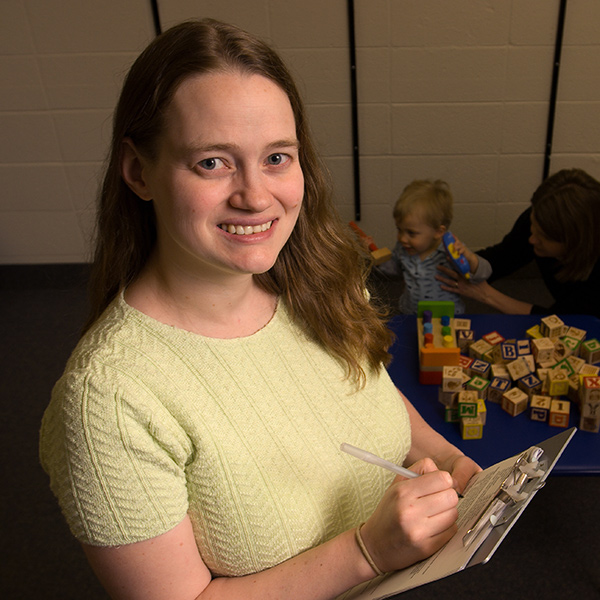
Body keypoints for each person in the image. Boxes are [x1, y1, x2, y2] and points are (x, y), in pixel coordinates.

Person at [39, 19, 480, 600]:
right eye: (212, 162)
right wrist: (367, 552)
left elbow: (363, 393)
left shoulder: (319, 279)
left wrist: (452, 462)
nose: (254, 195)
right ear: (139, 171)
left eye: (276, 157)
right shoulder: (109, 402)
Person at [436, 168, 600, 318]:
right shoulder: (539, 222)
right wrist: (471, 261)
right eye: (532, 225)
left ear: (574, 243)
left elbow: (565, 320)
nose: (531, 239)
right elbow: (504, 257)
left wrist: (486, 294)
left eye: (543, 237)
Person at [378, 179, 468, 314]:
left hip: (446, 315)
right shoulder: (403, 248)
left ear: (438, 232)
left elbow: (476, 274)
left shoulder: (451, 250)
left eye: (411, 233)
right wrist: (374, 254)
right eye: (399, 230)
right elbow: (393, 269)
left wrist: (470, 260)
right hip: (411, 313)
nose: (402, 238)